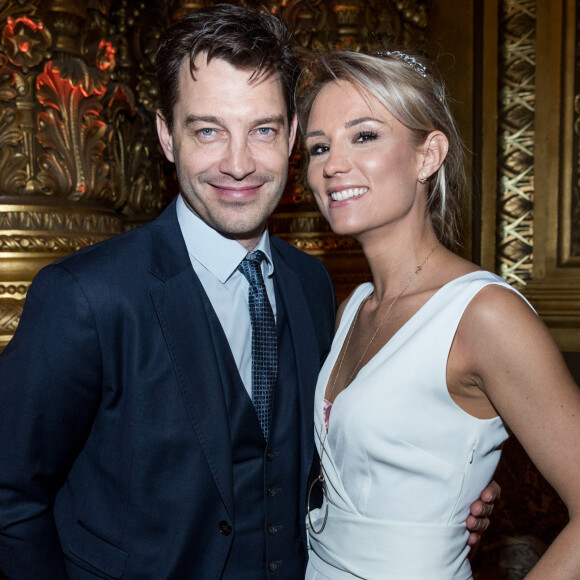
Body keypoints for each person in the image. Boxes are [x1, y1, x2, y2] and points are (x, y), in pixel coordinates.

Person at [0, 7, 496, 580]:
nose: (238, 164)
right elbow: (10, 493)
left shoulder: (312, 287)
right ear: (166, 136)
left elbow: (335, 457)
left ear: (289, 136)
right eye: (207, 130)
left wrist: (449, 492)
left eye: (261, 130)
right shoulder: (85, 297)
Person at [299, 48, 580, 579]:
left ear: (428, 155)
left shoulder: (484, 314)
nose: (332, 164)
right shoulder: (352, 309)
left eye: (364, 135)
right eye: (317, 147)